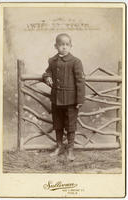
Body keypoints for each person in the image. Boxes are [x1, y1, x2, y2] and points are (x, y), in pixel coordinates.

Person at [43, 33, 85, 161]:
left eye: (67, 45)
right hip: (56, 99)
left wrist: (79, 100)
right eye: (61, 45)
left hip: (71, 100)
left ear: (71, 46)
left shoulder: (76, 62)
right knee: (58, 124)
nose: (64, 47)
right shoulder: (52, 60)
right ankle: (59, 146)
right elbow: (47, 72)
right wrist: (47, 77)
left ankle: (70, 150)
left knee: (71, 125)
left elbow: (80, 81)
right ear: (56, 46)